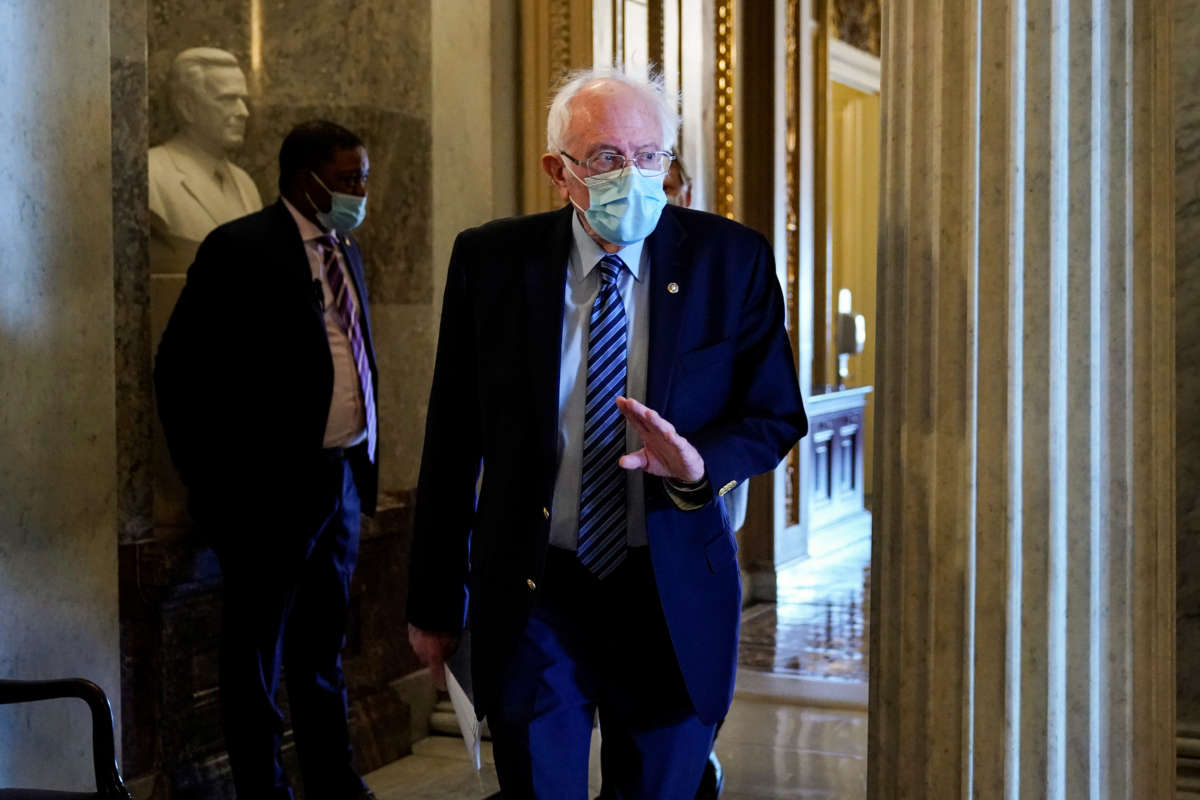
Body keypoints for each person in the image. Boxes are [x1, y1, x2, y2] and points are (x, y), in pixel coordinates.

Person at [407, 68, 806, 799]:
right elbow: (453, 436)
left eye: (650, 156)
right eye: (606, 158)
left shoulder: (730, 260)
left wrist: (698, 464)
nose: (634, 175)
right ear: (559, 172)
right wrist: (433, 603)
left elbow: (775, 413)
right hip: (537, 587)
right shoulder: (494, 260)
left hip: (671, 585)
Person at [154, 120, 380, 800]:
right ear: (302, 178)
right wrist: (216, 489)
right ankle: (264, 790)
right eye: (347, 180)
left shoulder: (345, 249)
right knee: (256, 656)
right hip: (265, 493)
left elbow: (352, 355)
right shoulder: (241, 249)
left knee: (323, 649)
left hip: (338, 477)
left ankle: (334, 782)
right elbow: (180, 372)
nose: (360, 191)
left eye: (363, 178)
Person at [149, 48, 263, 248]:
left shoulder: (245, 184)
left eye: (243, 100)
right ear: (187, 107)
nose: (243, 112)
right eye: (227, 100)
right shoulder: (150, 175)